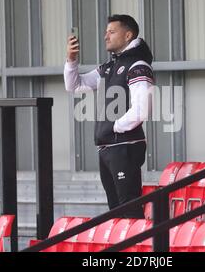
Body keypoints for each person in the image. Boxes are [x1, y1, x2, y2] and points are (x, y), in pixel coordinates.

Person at [64, 15, 154, 218]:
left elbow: (143, 109)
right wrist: (71, 60)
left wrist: (115, 126)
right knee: (116, 211)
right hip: (108, 147)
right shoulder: (109, 66)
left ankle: (136, 248)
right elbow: (75, 85)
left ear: (128, 35)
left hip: (125, 146)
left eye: (112, 32)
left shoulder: (138, 64)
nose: (106, 36)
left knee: (129, 210)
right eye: (106, 32)